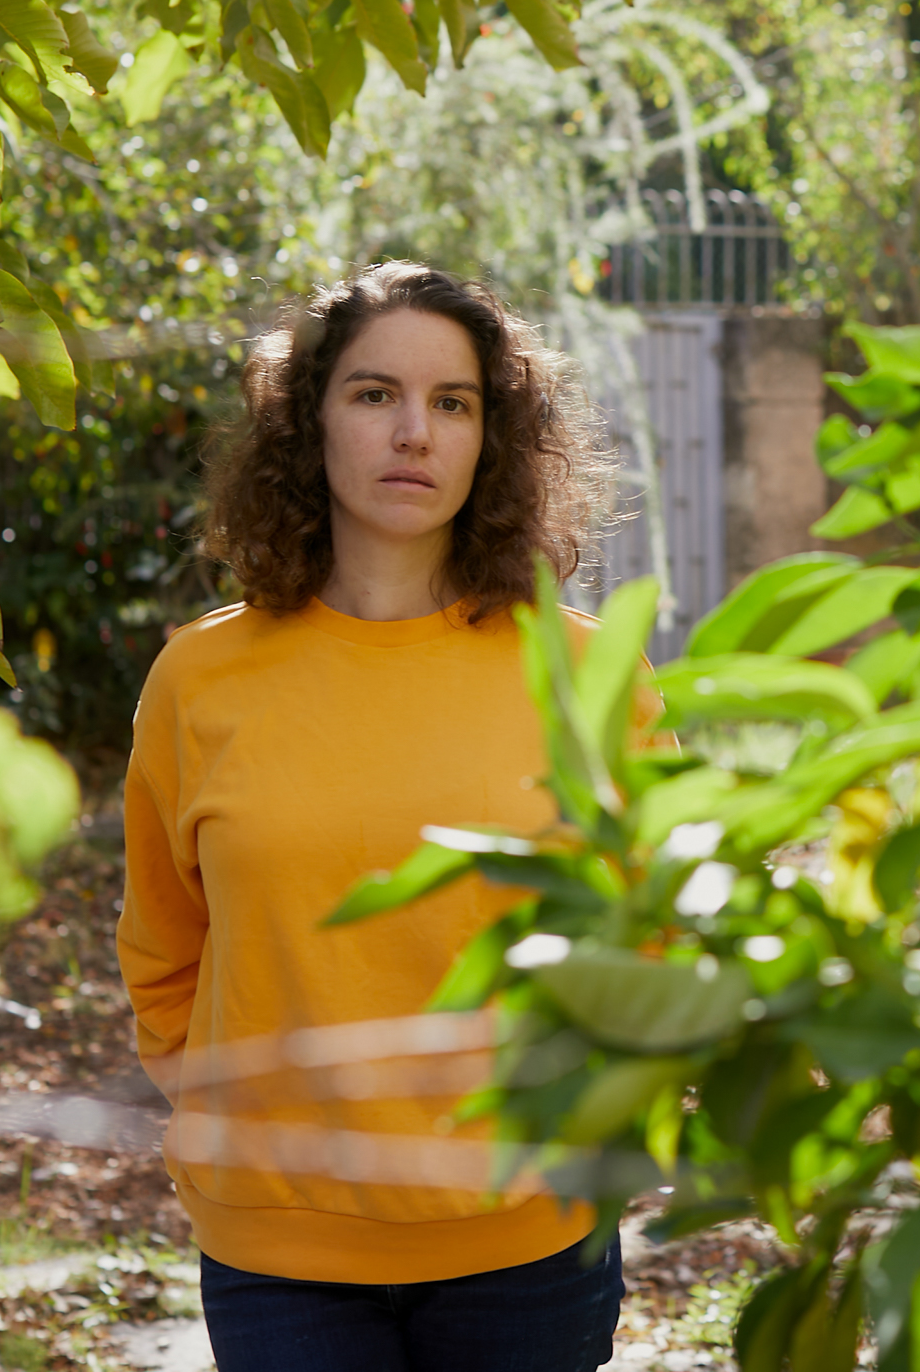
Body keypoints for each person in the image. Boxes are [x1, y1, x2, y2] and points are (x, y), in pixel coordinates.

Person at [117, 260, 625, 1371]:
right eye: (373, 393)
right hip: (282, 1253)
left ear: (494, 437)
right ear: (310, 423)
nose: (415, 431)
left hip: (530, 1241)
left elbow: (653, 934)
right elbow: (164, 947)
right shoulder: (202, 678)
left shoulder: (588, 676)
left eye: (454, 402)